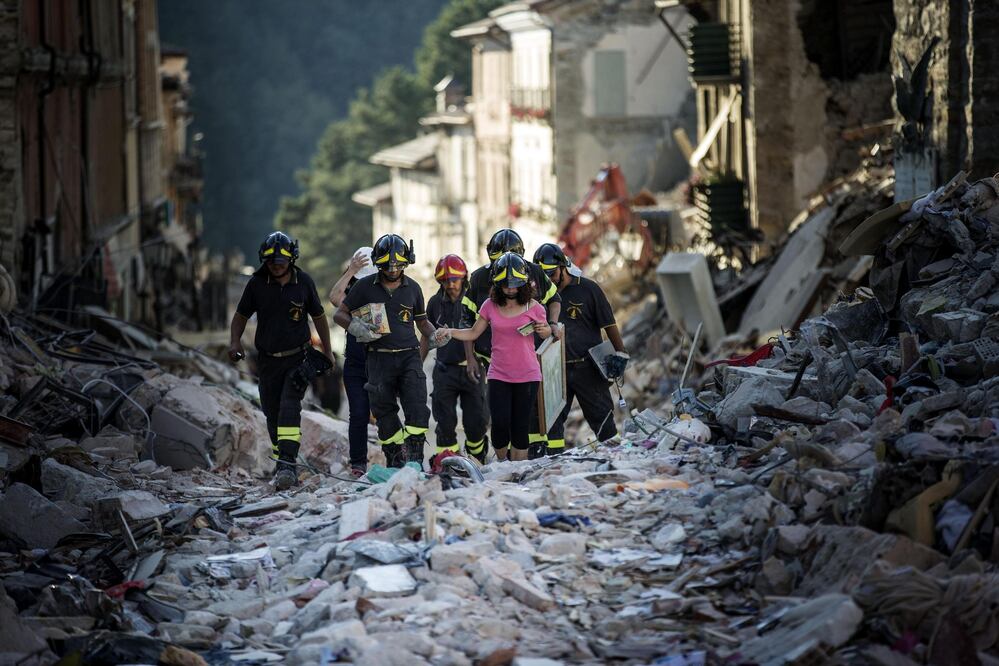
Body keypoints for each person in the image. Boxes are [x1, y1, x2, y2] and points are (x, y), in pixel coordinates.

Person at [228, 231, 333, 490]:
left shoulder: (304, 283)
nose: (276, 266)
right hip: (267, 361)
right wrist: (234, 342)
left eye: (281, 262)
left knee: (289, 406)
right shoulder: (256, 284)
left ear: (292, 261)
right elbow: (240, 316)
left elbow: (319, 317)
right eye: (272, 262)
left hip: (298, 358)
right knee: (272, 413)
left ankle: (288, 464)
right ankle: (282, 460)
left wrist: (328, 351)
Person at [333, 234, 447, 470]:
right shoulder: (364, 287)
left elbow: (422, 323)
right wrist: (356, 327)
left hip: (409, 357)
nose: (393, 269)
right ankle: (395, 460)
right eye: (387, 265)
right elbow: (339, 313)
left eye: (398, 265)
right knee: (384, 414)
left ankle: (415, 462)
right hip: (378, 359)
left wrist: (436, 335)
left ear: (406, 263)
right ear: (378, 263)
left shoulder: (413, 288)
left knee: (417, 409)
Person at [439, 252, 553, 461]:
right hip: (499, 373)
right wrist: (450, 332)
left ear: (524, 283)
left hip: (528, 375)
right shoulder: (489, 306)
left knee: (520, 427)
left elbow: (546, 334)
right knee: (499, 425)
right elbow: (473, 332)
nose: (510, 289)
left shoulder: (535, 307)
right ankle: (502, 463)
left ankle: (518, 470)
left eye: (515, 285)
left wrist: (545, 329)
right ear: (496, 284)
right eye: (505, 285)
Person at [466, 228, 562, 455]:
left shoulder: (535, 272)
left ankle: (529, 457)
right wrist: (470, 356)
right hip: (495, 361)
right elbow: (468, 322)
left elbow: (554, 299)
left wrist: (553, 325)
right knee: (500, 417)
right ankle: (504, 460)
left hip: (530, 359)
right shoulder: (480, 277)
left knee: (528, 415)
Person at [533, 242, 629, 453]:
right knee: (551, 424)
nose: (547, 279)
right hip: (555, 371)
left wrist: (621, 354)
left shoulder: (588, 289)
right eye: (542, 276)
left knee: (603, 418)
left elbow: (609, 325)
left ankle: (616, 459)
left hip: (588, 367)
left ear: (562, 267)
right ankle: (553, 464)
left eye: (550, 273)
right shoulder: (539, 297)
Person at [420, 254, 488, 464]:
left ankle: (477, 459)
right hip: (444, 370)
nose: (450, 285)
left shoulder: (474, 301)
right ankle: (450, 462)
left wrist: (472, 360)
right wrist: (416, 365)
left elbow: (473, 331)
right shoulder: (434, 304)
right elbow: (426, 336)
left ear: (464, 278)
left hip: (473, 369)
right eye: (446, 281)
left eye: (454, 280)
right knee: (445, 422)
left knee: (476, 421)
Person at [328, 247, 377, 477]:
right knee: (358, 413)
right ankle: (358, 464)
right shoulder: (352, 290)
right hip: (356, 362)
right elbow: (335, 298)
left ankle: (393, 457)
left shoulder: (384, 288)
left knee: (383, 411)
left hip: (380, 362)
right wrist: (351, 270)